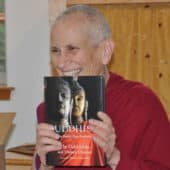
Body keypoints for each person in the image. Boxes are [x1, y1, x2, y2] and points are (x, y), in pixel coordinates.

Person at [33, 4, 170, 170]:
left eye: (72, 49)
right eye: (56, 51)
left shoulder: (141, 103)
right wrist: (44, 164)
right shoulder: (48, 108)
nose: (61, 63)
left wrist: (114, 157)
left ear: (105, 51)